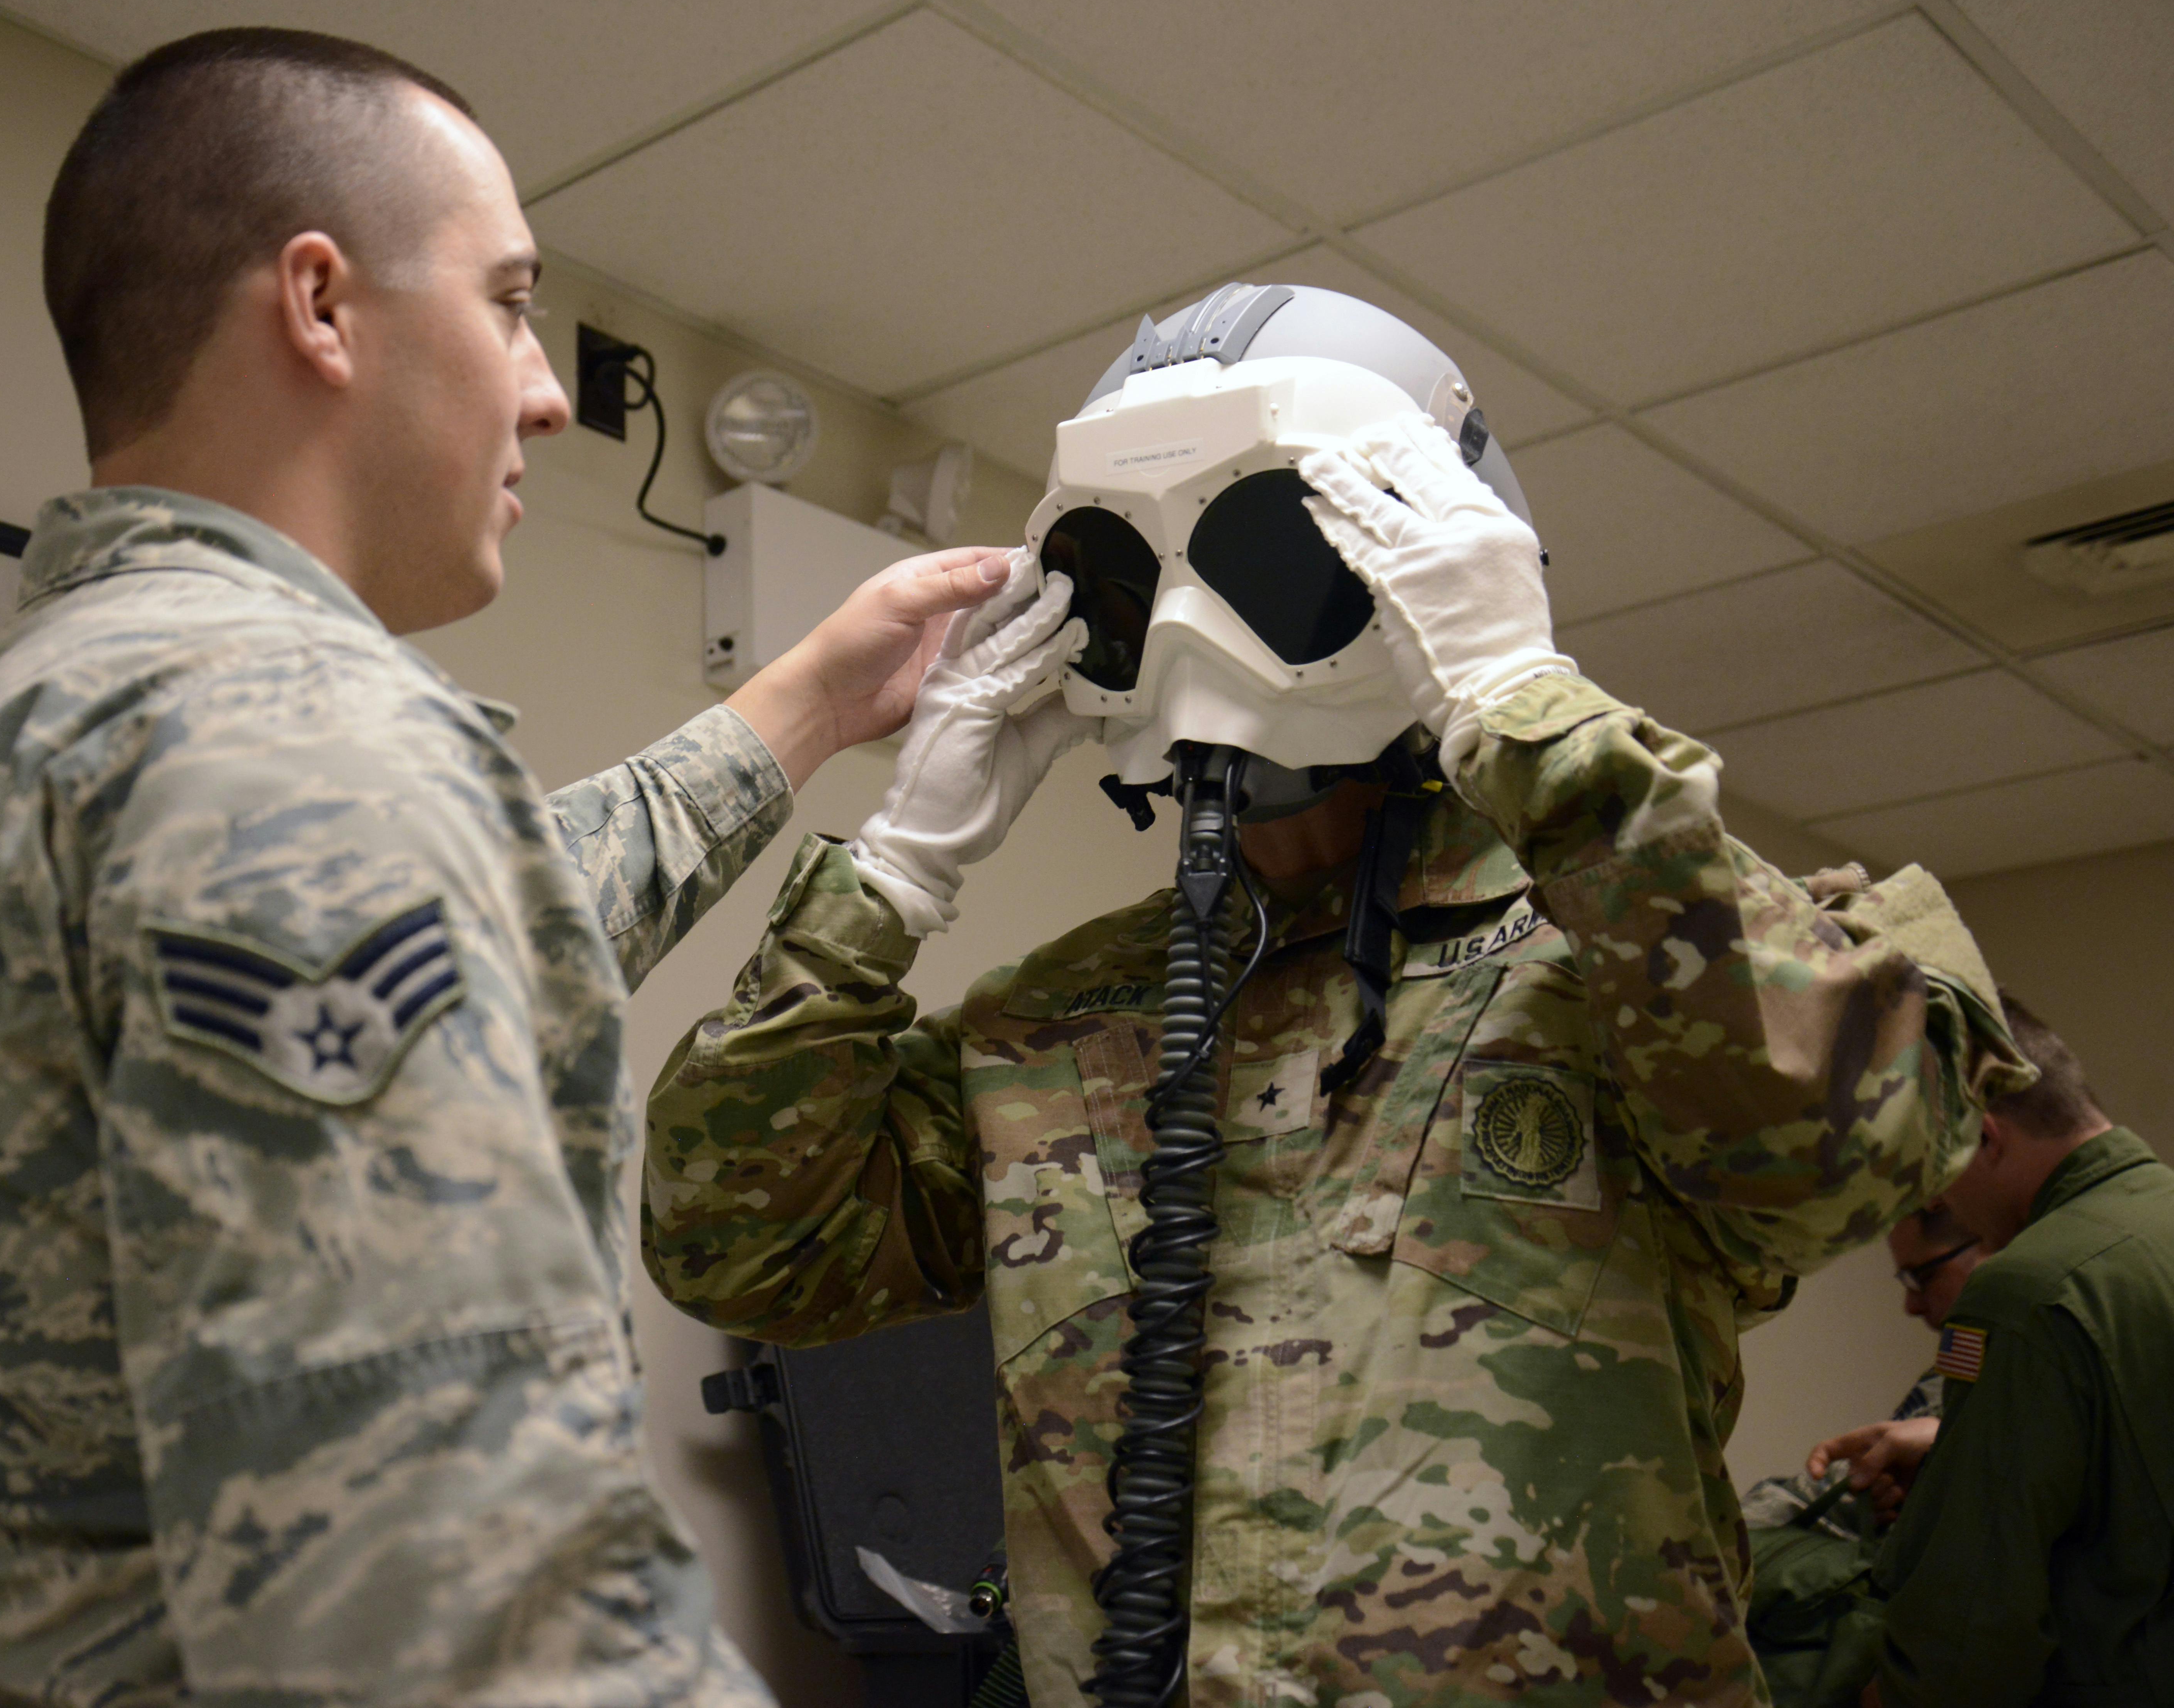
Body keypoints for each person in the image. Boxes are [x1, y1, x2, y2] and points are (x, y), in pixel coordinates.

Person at [0, 28, 1019, 1708]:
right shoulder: (304, 743)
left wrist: (802, 708)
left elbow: (493, 920)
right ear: (321, 304)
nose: (550, 388)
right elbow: (451, 1603)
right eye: (508, 301)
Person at [641, 313, 2030, 1704]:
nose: (1190, 630)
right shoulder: (1053, 1027)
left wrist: (1523, 710)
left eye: (1264, 555)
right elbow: (734, 1245)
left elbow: (1838, 1156)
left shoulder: (1624, 941)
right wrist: (893, 871)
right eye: (1135, 576)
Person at [1844, 996, 2174, 1706]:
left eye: (1937, 1175)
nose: (1948, 1206)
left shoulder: (2021, 1292)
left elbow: (1969, 1619)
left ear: (1984, 1138)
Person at [1748, 1202, 1986, 1536]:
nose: (1911, 1305)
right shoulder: (1965, 1365)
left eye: (1923, 1276)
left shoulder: (2051, 1357)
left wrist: (1948, 1447)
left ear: (1991, 1248)